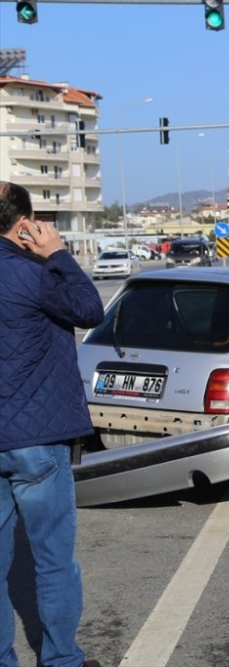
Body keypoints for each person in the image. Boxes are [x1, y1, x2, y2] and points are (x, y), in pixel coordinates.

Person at [0, 182, 105, 667]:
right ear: (25, 223)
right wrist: (57, 253)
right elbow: (89, 308)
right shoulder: (35, 275)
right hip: (37, 443)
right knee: (53, 562)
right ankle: (62, 661)